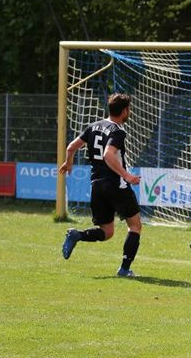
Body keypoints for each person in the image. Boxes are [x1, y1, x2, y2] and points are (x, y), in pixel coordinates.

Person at [58, 93, 143, 277]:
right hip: (115, 184)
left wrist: (68, 162)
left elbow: (71, 147)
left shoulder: (93, 126)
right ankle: (124, 269)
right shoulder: (118, 131)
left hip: (96, 185)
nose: (130, 112)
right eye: (129, 109)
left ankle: (77, 235)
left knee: (107, 231)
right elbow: (108, 155)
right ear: (124, 111)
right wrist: (126, 175)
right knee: (135, 226)